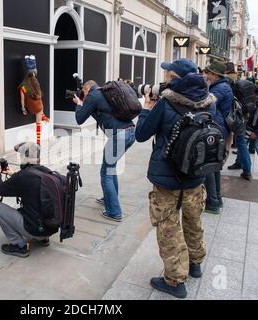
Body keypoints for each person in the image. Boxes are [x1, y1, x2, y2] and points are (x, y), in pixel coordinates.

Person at [135, 58, 216, 299]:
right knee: (193, 219)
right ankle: (195, 263)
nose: (166, 77)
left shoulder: (166, 103)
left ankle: (174, 280)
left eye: (169, 74)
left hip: (167, 177)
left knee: (168, 225)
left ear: (176, 78)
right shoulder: (209, 102)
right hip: (195, 174)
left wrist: (147, 107)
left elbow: (141, 135)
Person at [73, 81, 136, 222]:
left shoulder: (93, 95)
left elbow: (79, 119)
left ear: (87, 89)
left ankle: (114, 212)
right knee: (110, 169)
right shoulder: (104, 94)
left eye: (83, 92)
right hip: (131, 132)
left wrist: (78, 104)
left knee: (106, 173)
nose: (83, 94)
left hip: (119, 136)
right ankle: (109, 198)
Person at [0, 142, 57, 258]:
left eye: (20, 156)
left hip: (34, 230)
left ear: (24, 158)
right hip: (51, 227)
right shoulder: (46, 172)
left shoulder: (23, 177)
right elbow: (31, 184)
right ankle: (43, 239)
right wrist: (13, 174)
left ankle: (19, 245)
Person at [202, 61, 233, 214]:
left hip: (216, 130)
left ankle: (212, 202)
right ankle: (217, 198)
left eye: (208, 73)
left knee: (208, 165)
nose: (206, 76)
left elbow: (206, 103)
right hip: (220, 129)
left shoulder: (220, 88)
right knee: (214, 166)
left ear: (214, 75)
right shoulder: (222, 86)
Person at [229, 85, 258, 177]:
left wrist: (257, 133)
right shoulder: (257, 101)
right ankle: (238, 163)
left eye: (253, 94)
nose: (251, 95)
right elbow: (253, 116)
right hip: (253, 126)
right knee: (242, 143)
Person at [19, 55, 50, 146]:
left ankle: (43, 116)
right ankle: (38, 142)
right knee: (38, 123)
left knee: (38, 110)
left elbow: (22, 98)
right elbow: (39, 95)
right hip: (39, 106)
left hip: (31, 107)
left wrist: (23, 109)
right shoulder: (36, 83)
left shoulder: (23, 86)